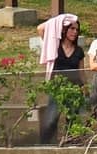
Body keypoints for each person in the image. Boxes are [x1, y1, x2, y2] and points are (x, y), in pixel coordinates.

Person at [35, 14, 82, 144]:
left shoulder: (79, 51)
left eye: (77, 29)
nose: (74, 32)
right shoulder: (54, 45)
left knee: (72, 119)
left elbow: (81, 72)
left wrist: (84, 88)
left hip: (74, 89)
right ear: (64, 29)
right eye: (72, 28)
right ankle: (45, 145)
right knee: (51, 119)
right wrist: (63, 19)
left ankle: (72, 145)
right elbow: (40, 28)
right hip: (57, 88)